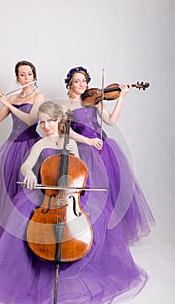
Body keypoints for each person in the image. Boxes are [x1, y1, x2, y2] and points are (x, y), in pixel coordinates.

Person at [0, 101, 149, 304]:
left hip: (68, 193)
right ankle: (32, 264)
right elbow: (26, 165)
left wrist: (73, 155)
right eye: (41, 121)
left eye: (50, 120)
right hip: (46, 193)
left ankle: (73, 255)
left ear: (60, 120)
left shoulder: (71, 142)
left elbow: (78, 170)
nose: (46, 125)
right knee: (21, 216)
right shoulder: (41, 143)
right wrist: (29, 172)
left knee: (96, 219)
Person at [63, 66, 155, 241]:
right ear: (70, 84)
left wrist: (121, 97)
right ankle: (88, 231)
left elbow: (111, 121)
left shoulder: (95, 100)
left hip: (102, 147)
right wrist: (87, 141)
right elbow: (66, 131)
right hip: (82, 150)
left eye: (84, 80)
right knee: (88, 190)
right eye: (77, 81)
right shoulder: (65, 106)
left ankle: (109, 233)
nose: (82, 84)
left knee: (108, 189)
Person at [0, 60, 45, 242]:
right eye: (22, 74)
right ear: (17, 78)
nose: (26, 77)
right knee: (10, 189)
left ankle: (29, 235)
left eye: (29, 74)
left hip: (31, 146)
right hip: (12, 147)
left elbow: (30, 120)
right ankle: (8, 238)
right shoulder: (12, 98)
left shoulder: (39, 97)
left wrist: (8, 104)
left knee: (28, 191)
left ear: (34, 77)